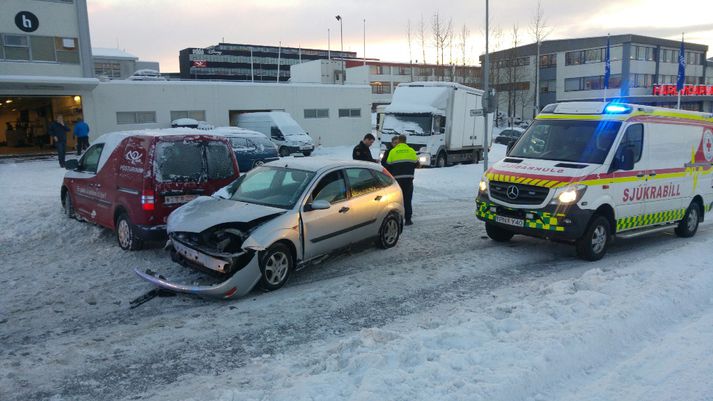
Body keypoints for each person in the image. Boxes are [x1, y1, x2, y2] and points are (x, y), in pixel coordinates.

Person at [386, 134, 418, 226]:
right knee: (408, 199)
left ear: (399, 141)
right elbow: (416, 163)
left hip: (397, 180)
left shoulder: (393, 151)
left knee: (398, 200)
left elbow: (388, 164)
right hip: (408, 179)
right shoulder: (411, 151)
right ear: (406, 141)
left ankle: (398, 218)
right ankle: (408, 219)